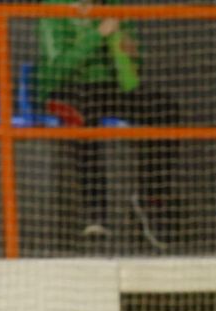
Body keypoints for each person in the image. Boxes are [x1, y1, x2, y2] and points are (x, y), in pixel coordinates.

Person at [36, 0, 179, 250]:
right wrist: (97, 34)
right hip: (65, 90)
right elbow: (55, 70)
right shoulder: (54, 8)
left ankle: (150, 198)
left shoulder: (115, 7)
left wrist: (132, 55)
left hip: (108, 90)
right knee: (83, 114)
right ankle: (95, 213)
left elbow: (132, 73)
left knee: (163, 108)